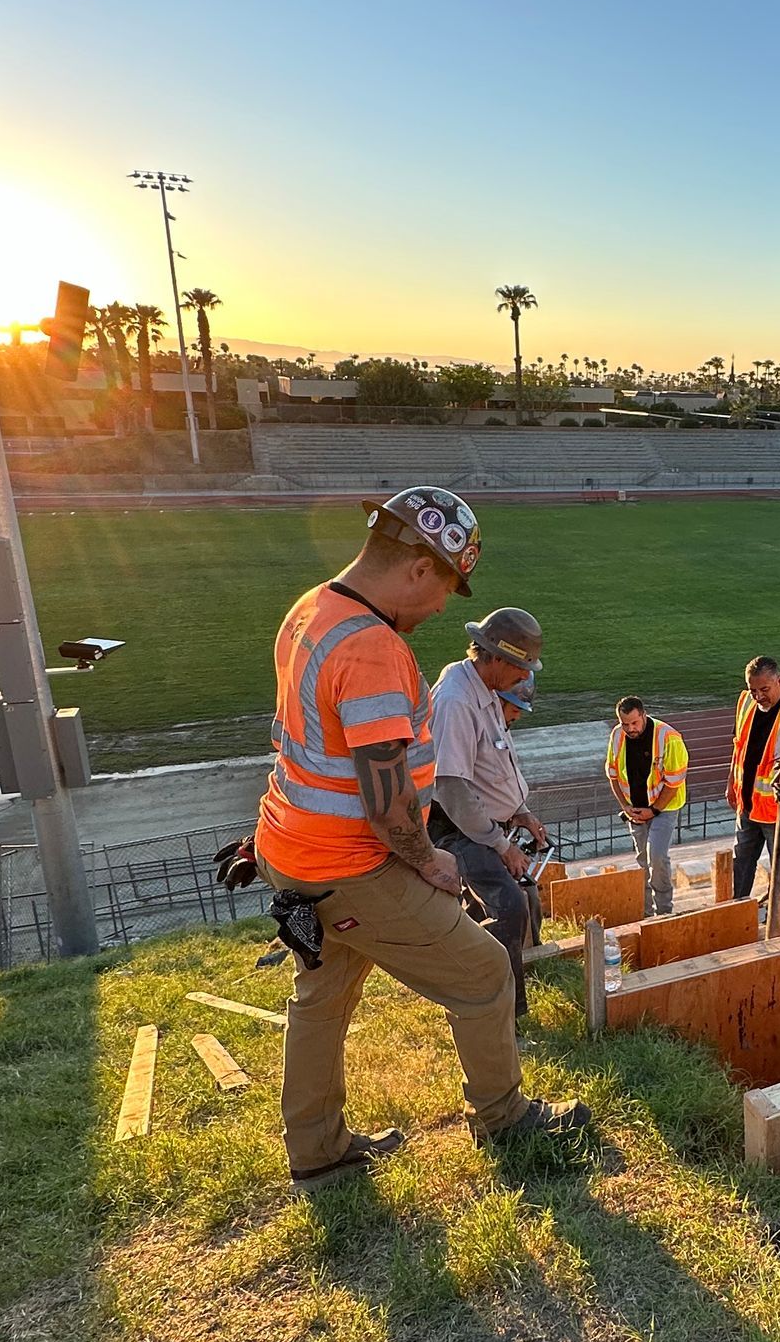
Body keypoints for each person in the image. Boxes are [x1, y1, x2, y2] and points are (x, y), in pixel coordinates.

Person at [251, 488, 590, 1189]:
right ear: (416, 569)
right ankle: (504, 1118)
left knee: (322, 995)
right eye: (444, 589)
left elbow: (310, 746)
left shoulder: (312, 608)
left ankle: (316, 1151)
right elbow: (385, 799)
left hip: (293, 848)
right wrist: (430, 859)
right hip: (349, 864)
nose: (442, 609)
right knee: (483, 971)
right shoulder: (374, 647)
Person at [429, 607, 552, 1020]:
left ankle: (504, 982)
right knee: (507, 905)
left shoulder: (483, 691)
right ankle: (501, 1011)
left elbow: (491, 769)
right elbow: (451, 788)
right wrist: (501, 845)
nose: (524, 678)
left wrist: (520, 813)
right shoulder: (457, 701)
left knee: (514, 899)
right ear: (497, 658)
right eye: (521, 670)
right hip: (457, 829)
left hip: (481, 824)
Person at [605, 696, 689, 916]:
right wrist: (625, 806)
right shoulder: (617, 736)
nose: (630, 729)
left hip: (664, 806)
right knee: (643, 859)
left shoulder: (669, 738)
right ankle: (645, 913)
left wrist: (653, 810)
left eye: (634, 723)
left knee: (657, 856)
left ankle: (664, 912)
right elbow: (613, 775)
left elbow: (674, 783)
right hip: (635, 808)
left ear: (643, 715)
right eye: (625, 724)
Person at [726, 655, 780, 898]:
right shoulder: (746, 703)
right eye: (753, 690)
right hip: (747, 803)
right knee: (741, 862)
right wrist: (730, 782)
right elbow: (738, 746)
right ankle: (737, 909)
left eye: (764, 689)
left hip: (777, 811)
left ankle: (776, 917)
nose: (758, 696)